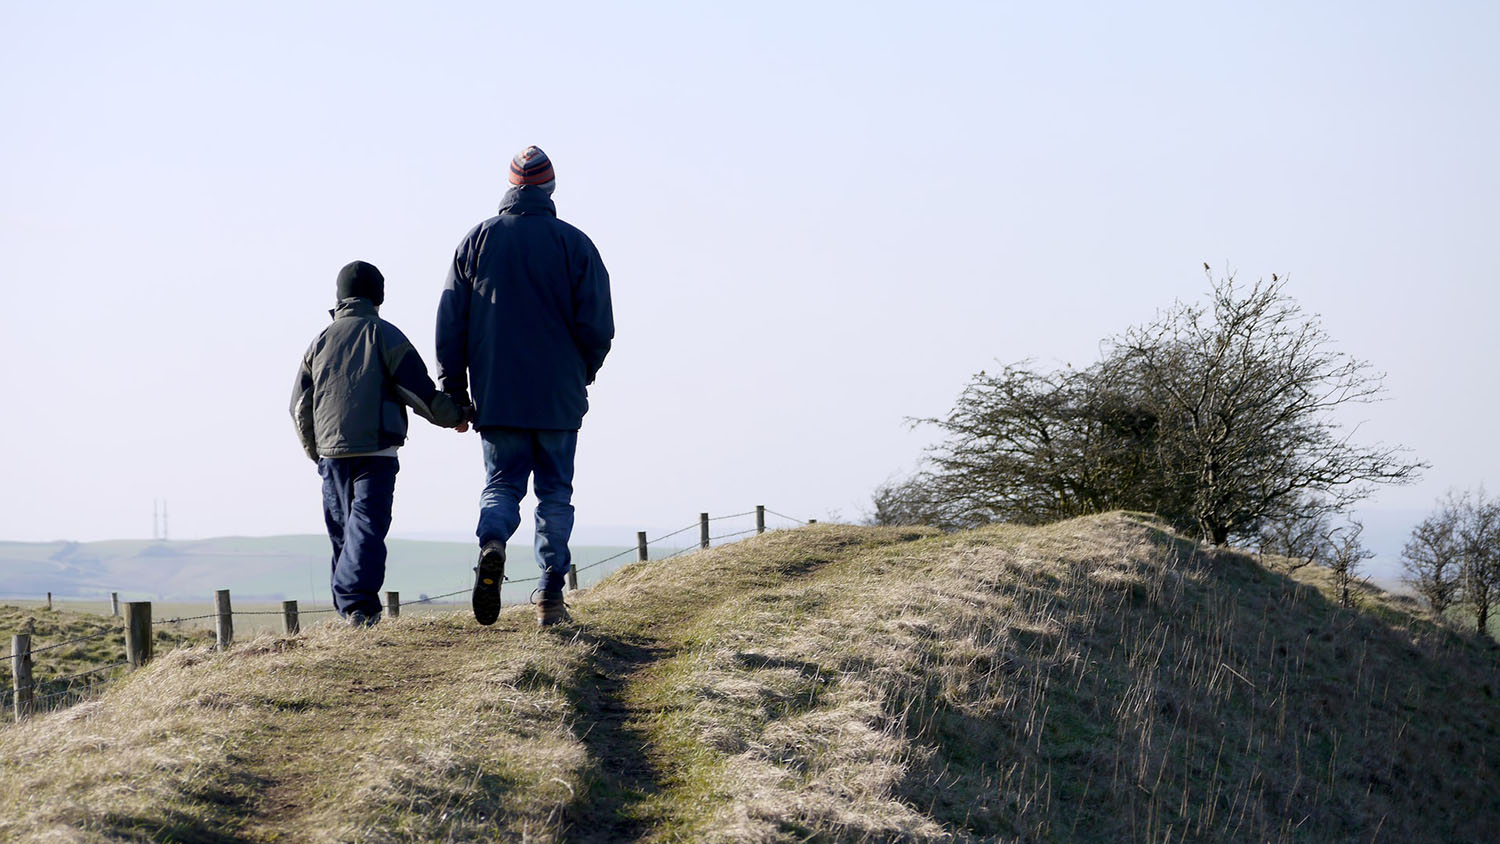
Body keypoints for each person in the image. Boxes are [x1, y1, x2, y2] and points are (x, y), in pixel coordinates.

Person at [436, 145, 614, 628]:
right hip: (558, 398)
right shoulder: (575, 244)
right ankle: (551, 594)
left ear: (511, 188)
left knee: (501, 485)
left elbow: (451, 322)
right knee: (555, 494)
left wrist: (455, 390)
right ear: (550, 189)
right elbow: (599, 326)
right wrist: (582, 373)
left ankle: (492, 543)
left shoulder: (476, 241)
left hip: (498, 396)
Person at [291, 260, 467, 627]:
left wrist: (316, 452)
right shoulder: (385, 335)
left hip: (331, 455)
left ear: (340, 297)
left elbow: (298, 407)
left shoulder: (318, 342)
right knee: (367, 528)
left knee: (343, 532)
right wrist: (456, 417)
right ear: (379, 295)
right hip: (376, 451)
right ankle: (359, 608)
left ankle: (349, 610)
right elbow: (418, 393)